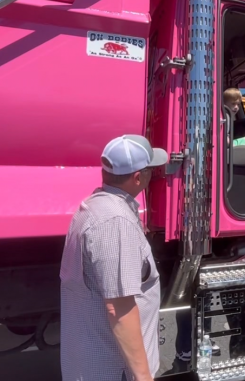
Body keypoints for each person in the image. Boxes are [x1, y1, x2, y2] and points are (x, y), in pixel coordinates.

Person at [60, 135, 167, 381]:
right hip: (115, 371)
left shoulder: (93, 207)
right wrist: (143, 377)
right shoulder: (115, 222)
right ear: (138, 177)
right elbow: (119, 308)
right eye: (151, 169)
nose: (153, 175)